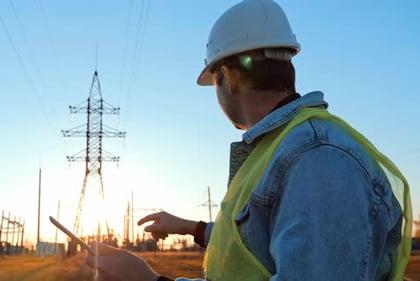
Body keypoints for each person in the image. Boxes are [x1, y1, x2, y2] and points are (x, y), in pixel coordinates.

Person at [85, 0, 412, 280]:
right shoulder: (281, 150)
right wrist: (164, 259)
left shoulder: (318, 157)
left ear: (225, 78)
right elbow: (250, 246)